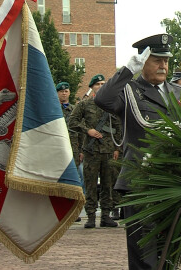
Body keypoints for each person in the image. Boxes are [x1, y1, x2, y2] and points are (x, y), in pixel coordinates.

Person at [94, 33, 181, 270]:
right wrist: (126, 71)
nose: (163, 65)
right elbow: (102, 100)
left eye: (166, 60)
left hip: (174, 180)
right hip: (140, 181)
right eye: (156, 59)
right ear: (143, 61)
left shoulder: (180, 94)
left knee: (171, 246)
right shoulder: (129, 90)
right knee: (143, 249)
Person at [69, 74, 121, 229]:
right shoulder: (85, 104)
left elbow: (118, 127)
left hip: (108, 151)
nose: (101, 86)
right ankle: (91, 216)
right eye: (97, 84)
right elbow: (72, 122)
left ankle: (106, 215)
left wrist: (117, 148)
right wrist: (88, 130)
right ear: (92, 87)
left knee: (108, 184)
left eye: (103, 83)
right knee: (91, 184)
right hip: (91, 150)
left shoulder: (112, 104)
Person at [56, 81, 82, 222]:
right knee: (58, 180)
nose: (64, 93)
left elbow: (80, 129)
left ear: (69, 93)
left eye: (66, 91)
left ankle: (73, 212)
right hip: (58, 149)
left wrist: (81, 149)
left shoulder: (75, 109)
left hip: (73, 149)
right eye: (61, 91)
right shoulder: (53, 109)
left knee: (74, 179)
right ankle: (59, 211)